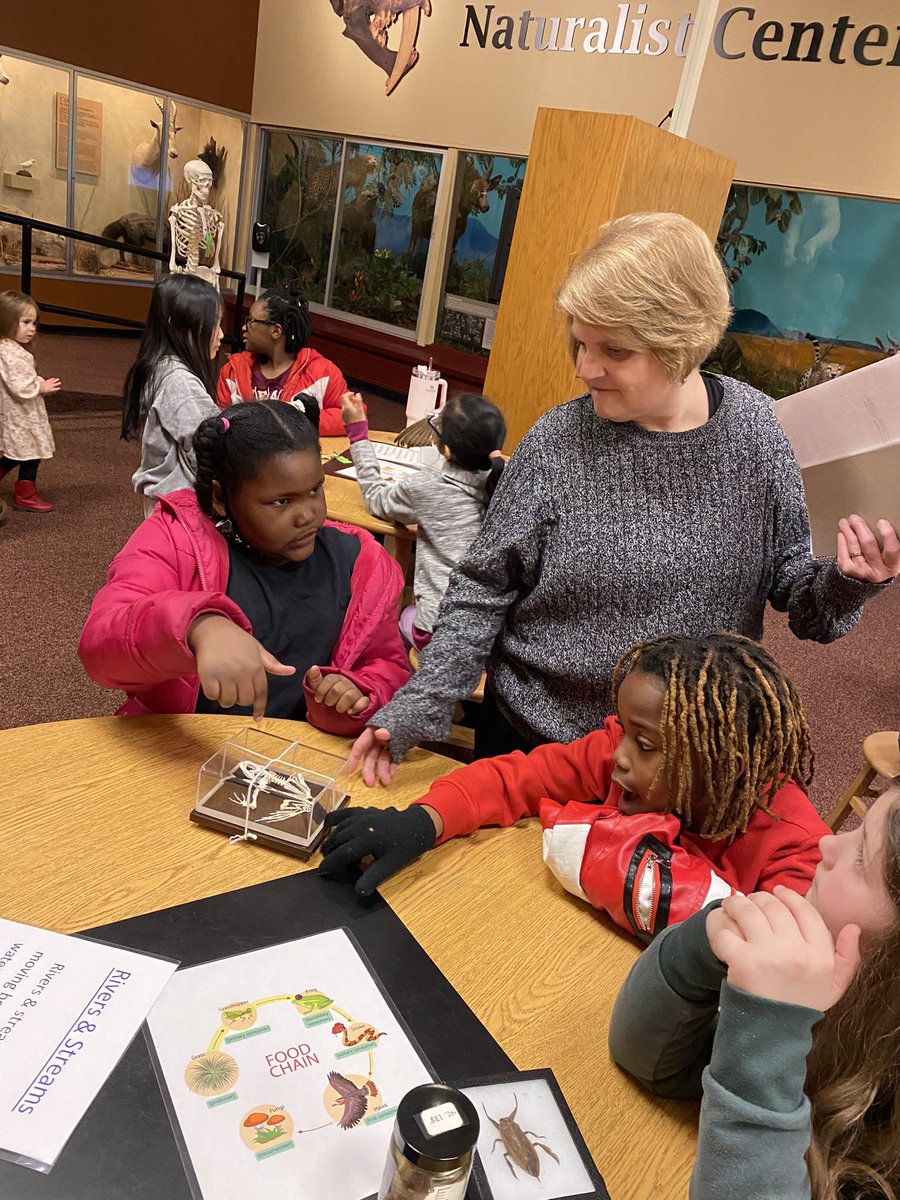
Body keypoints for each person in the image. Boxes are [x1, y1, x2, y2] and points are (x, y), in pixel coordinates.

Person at [348, 211, 900, 785]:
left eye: (614, 351)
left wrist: (849, 581)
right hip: (538, 746)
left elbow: (795, 591)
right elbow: (482, 589)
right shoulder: (557, 441)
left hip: (677, 760)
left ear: (681, 342)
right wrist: (423, 703)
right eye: (581, 343)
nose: (586, 368)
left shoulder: (754, 432)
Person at [320, 633, 829, 937]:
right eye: (624, 731)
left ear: (720, 762)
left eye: (645, 745)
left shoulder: (796, 852)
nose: (619, 758)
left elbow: (766, 977)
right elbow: (515, 778)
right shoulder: (615, 753)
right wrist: (421, 821)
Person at [608, 781, 900, 1200]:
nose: (828, 844)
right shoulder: (827, 997)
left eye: (861, 857)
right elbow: (649, 1061)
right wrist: (702, 949)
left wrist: (771, 1030)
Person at [79, 399, 410, 732]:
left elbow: (386, 665)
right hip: (183, 750)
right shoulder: (175, 539)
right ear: (221, 498)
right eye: (281, 501)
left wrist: (360, 692)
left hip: (301, 761)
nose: (308, 515)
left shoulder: (360, 563)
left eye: (314, 490)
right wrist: (197, 626)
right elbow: (100, 648)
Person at [342, 389, 506, 648]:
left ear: (447, 451)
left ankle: (402, 679)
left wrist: (358, 431)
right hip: (491, 632)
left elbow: (377, 499)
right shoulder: (503, 483)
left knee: (402, 616)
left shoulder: (428, 487)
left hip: (440, 631)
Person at [122, 274, 223, 518]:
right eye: (215, 325)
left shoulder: (158, 366)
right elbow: (209, 445)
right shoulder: (179, 381)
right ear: (178, 324)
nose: (221, 335)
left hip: (164, 504)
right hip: (180, 508)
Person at [217, 282, 351, 435]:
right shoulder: (231, 373)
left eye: (251, 321)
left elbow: (351, 417)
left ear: (275, 331)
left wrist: (295, 421)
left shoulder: (322, 373)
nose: (243, 327)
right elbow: (220, 425)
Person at [0, 290, 61, 513]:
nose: (32, 328)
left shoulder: (11, 350)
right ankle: (26, 496)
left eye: (34, 323)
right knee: (29, 454)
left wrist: (36, 381)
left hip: (21, 415)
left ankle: (26, 493)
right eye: (25, 322)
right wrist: (40, 387)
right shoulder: (11, 354)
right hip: (21, 416)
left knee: (17, 454)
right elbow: (19, 387)